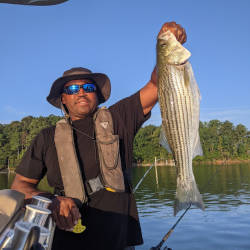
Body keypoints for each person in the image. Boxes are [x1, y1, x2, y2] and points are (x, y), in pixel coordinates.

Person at [11, 22, 186, 250]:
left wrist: (168, 44)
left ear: (98, 95)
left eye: (88, 87)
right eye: (72, 89)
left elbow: (156, 85)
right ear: (63, 99)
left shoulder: (120, 117)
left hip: (119, 241)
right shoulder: (46, 137)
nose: (81, 92)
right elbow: (19, 186)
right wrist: (52, 201)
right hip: (66, 241)